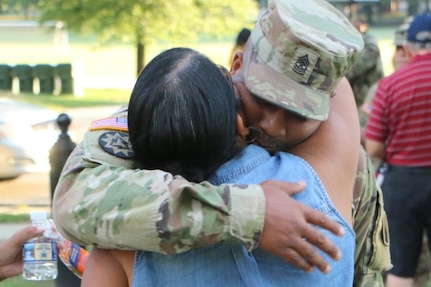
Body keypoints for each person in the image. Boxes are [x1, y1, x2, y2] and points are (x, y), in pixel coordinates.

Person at [52, 0, 391, 285]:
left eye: (297, 114)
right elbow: (74, 199)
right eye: (264, 99)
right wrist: (246, 212)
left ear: (326, 105)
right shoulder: (176, 107)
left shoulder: (340, 153)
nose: (272, 125)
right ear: (236, 66)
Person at [365, 13, 431, 287]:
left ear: (408, 47)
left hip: (403, 183)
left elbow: (374, 146)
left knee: (400, 266)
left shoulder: (390, 85)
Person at [346, 19, 384, 130]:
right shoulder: (347, 42)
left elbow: (364, 62)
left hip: (370, 98)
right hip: (356, 100)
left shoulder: (369, 43)